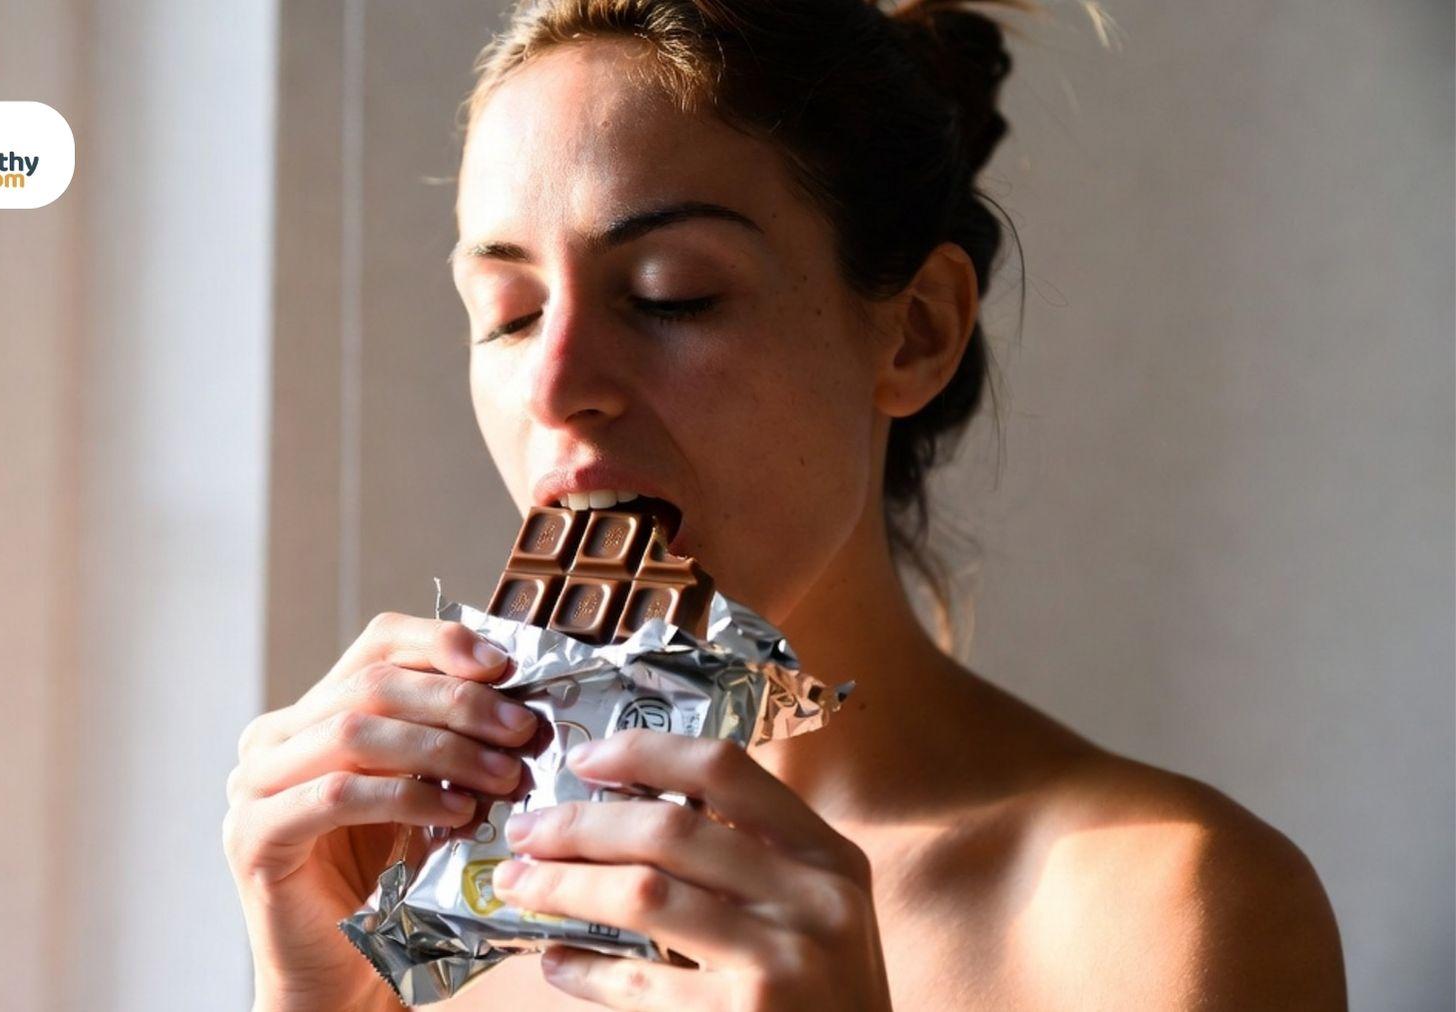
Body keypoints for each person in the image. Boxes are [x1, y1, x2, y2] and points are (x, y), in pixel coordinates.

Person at [222, 1, 1347, 1007]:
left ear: (916, 333)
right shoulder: (428, 911)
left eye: (674, 293)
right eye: (510, 313)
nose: (556, 385)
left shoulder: (1164, 909)